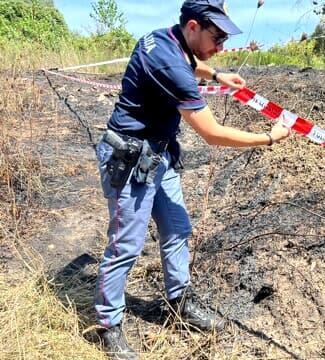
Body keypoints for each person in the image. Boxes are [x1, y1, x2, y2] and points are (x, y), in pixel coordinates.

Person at [93, 1, 290, 358]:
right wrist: (269, 138)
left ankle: (179, 300)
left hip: (159, 155)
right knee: (126, 245)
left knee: (178, 228)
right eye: (217, 38)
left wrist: (215, 76)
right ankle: (108, 325)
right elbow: (212, 134)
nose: (222, 48)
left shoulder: (164, 38)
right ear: (195, 26)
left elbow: (190, 62)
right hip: (130, 158)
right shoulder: (170, 63)